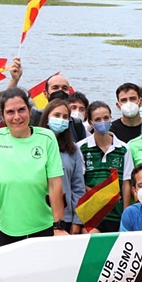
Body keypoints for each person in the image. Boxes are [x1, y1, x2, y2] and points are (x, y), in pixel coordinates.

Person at [0, 87, 67, 245]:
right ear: (2, 115)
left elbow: (55, 184)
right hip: (7, 227)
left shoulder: (47, 138)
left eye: (22, 110)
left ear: (30, 111)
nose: (17, 117)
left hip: (43, 226)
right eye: (10, 112)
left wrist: (58, 226)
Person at [79, 101, 133, 233]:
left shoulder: (124, 148)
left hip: (116, 214)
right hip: (91, 213)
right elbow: (78, 181)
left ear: (111, 118)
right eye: (97, 119)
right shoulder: (80, 147)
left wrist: (125, 216)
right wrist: (98, 195)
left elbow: (126, 183)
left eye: (106, 118)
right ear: (91, 122)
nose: (103, 122)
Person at [39, 99, 85, 234]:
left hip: (66, 217)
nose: (61, 119)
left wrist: (77, 221)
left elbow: (78, 188)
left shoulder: (73, 150)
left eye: (65, 117)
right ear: (47, 117)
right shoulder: (35, 145)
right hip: (38, 216)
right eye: (57, 115)